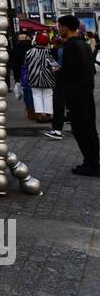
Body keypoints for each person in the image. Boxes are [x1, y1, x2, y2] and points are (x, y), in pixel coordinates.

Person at [56, 14, 100, 177]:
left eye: (60, 27)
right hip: (86, 93)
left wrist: (59, 72)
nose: (59, 30)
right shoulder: (84, 44)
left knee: (82, 129)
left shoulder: (71, 47)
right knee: (89, 129)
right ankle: (91, 161)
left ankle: (92, 164)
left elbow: (72, 72)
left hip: (77, 94)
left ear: (66, 28)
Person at [24, 31, 55, 121]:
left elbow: (25, 64)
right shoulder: (48, 53)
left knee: (36, 96)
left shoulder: (29, 52)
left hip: (34, 77)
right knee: (48, 95)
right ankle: (48, 115)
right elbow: (54, 66)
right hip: (48, 78)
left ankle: (39, 115)